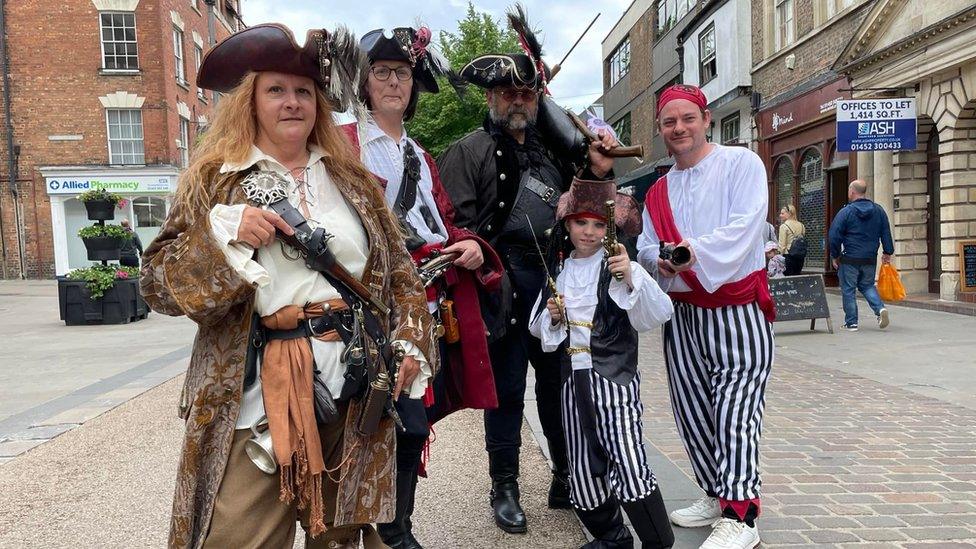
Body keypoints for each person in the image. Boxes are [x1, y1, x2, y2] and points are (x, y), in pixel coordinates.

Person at [140, 24, 437, 549]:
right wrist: (223, 237)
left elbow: (401, 278)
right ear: (250, 101)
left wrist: (411, 339)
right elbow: (158, 286)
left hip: (351, 386)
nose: (292, 102)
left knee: (342, 538)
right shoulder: (216, 179)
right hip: (256, 387)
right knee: (236, 538)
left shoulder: (353, 182)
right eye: (276, 89)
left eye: (303, 91)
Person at [437, 7, 619, 533]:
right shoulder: (466, 152)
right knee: (509, 388)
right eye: (508, 93)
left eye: (526, 93)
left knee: (559, 384)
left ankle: (566, 475)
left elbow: (591, 209)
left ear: (537, 98)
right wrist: (475, 255)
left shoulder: (557, 153)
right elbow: (454, 226)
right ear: (492, 97)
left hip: (555, 282)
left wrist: (597, 170)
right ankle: (506, 486)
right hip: (501, 284)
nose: (518, 101)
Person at [348, 26, 503, 549]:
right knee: (385, 418)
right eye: (383, 72)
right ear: (364, 83)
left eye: (404, 74)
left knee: (413, 418)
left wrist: (472, 246)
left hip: (429, 301)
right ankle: (384, 530)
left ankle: (395, 528)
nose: (394, 82)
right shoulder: (344, 145)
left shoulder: (421, 155)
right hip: (374, 305)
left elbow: (445, 220)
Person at [636, 84, 774, 549]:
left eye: (687, 118)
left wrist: (690, 253)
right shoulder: (657, 190)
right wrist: (660, 259)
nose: (679, 128)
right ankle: (717, 494)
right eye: (669, 122)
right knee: (693, 411)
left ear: (706, 118)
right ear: (660, 129)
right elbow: (647, 246)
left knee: (736, 410)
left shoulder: (741, 163)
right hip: (682, 313)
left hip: (737, 308)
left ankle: (742, 516)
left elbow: (746, 226)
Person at [528, 178, 675, 548]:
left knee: (626, 457)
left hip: (614, 380)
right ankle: (613, 538)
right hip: (570, 384)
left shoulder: (619, 266)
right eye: (581, 223)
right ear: (567, 225)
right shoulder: (559, 273)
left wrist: (630, 278)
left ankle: (659, 543)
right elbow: (538, 329)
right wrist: (554, 316)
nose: (589, 232)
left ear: (609, 228)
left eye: (597, 224)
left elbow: (658, 312)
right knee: (581, 465)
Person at [828, 179, 893, 331]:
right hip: (869, 257)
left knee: (849, 289)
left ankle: (851, 322)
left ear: (852, 191)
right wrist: (887, 252)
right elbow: (885, 232)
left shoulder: (846, 212)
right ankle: (880, 309)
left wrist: (835, 255)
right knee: (867, 285)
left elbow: (834, 235)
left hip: (849, 257)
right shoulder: (879, 210)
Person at [777, 205, 806, 275]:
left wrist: (778, 257)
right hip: (800, 256)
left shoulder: (784, 226)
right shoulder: (801, 225)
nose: (780, 215)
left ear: (789, 214)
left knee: (788, 279)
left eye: (782, 213)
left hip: (788, 256)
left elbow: (782, 245)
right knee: (797, 278)